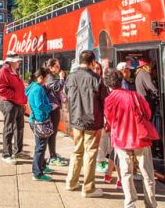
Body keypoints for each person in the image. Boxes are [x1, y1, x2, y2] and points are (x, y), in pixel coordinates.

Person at [104, 67, 159, 208]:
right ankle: (151, 206)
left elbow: (110, 120)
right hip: (140, 137)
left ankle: (130, 205)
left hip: (121, 139)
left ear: (107, 84)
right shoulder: (135, 95)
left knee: (126, 172)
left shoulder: (109, 100)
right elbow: (147, 113)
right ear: (121, 80)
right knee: (147, 172)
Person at [65, 49, 107, 198]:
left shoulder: (70, 77)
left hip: (76, 121)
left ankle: (71, 182)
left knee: (77, 151)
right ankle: (88, 188)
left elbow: (66, 96)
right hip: (92, 122)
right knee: (90, 154)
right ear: (92, 62)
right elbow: (105, 101)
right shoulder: (97, 79)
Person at [0, 51, 28, 165]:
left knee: (19, 128)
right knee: (9, 129)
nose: (19, 62)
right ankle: (6, 154)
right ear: (11, 62)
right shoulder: (3, 72)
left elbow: (19, 88)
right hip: (9, 104)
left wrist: (22, 100)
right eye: (17, 61)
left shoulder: (15, 71)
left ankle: (18, 151)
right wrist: (15, 95)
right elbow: (0, 90)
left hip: (18, 104)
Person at [26, 67, 57, 181]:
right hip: (40, 120)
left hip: (35, 120)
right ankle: (37, 172)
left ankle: (42, 166)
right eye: (46, 78)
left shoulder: (33, 87)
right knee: (40, 147)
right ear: (40, 78)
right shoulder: (38, 89)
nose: (47, 81)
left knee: (40, 146)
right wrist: (50, 106)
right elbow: (40, 105)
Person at [44, 58, 68, 167]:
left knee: (53, 132)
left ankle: (53, 154)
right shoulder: (49, 77)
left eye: (59, 66)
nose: (59, 68)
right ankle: (52, 156)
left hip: (54, 107)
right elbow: (58, 87)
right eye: (57, 66)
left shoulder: (52, 77)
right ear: (50, 68)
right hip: (52, 109)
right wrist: (62, 78)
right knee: (52, 133)